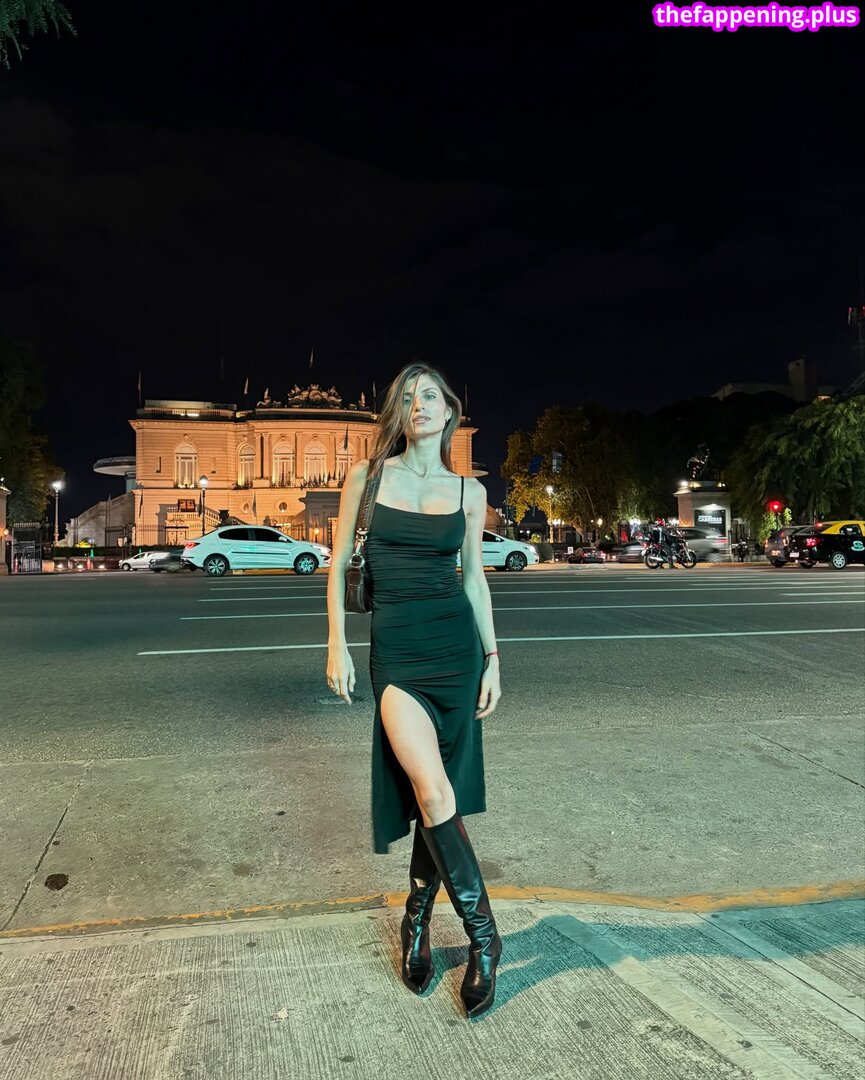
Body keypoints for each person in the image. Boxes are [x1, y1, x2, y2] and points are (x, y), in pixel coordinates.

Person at [326, 362, 503, 1019]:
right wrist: (336, 643)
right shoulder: (368, 478)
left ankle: (417, 920)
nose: (418, 405)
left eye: (429, 396)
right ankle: (486, 940)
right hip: (397, 657)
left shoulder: (468, 492)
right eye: (407, 398)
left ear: (449, 411)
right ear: (397, 414)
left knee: (438, 799)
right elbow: (339, 563)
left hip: (456, 653)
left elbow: (473, 579)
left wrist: (492, 658)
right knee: (430, 790)